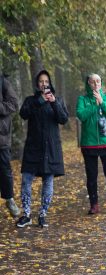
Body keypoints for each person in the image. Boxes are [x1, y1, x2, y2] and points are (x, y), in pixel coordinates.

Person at [16, 70, 68, 228]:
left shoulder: (57, 100)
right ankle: (26, 214)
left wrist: (53, 102)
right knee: (26, 180)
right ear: (37, 84)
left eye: (46, 81)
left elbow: (63, 119)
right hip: (33, 147)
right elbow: (23, 114)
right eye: (41, 81)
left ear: (50, 83)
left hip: (51, 148)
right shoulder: (31, 100)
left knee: (48, 181)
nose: (44, 84)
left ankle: (43, 214)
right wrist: (40, 100)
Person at [76, 73, 106, 215]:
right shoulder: (82, 99)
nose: (96, 84)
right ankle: (94, 203)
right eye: (93, 82)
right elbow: (81, 115)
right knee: (92, 175)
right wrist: (94, 106)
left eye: (98, 81)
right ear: (88, 84)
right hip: (89, 143)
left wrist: (102, 102)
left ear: (101, 83)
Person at [0, 72, 20, 218]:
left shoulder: (3, 82)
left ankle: (9, 198)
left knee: (5, 170)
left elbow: (13, 104)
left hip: (1, 138)